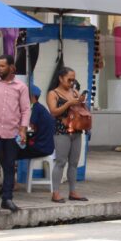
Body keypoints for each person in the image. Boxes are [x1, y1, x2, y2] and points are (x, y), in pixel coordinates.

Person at [47, 67, 88, 203]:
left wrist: (81, 102)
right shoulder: (53, 94)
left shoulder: (74, 92)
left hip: (76, 130)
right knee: (60, 162)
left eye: (73, 80)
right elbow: (53, 112)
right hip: (62, 131)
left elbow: (80, 110)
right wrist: (68, 103)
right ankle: (56, 193)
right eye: (69, 79)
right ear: (60, 78)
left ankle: (73, 191)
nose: (71, 82)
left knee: (74, 163)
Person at [0, 54, 30, 212]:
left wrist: (22, 129)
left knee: (9, 167)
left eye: (2, 66)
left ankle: (7, 199)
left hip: (12, 133)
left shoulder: (21, 87)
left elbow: (25, 110)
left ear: (11, 67)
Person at [16, 84, 55, 160]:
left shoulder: (36, 109)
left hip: (41, 148)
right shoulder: (40, 108)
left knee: (12, 151)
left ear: (32, 96)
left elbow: (30, 131)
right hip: (47, 147)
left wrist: (21, 136)